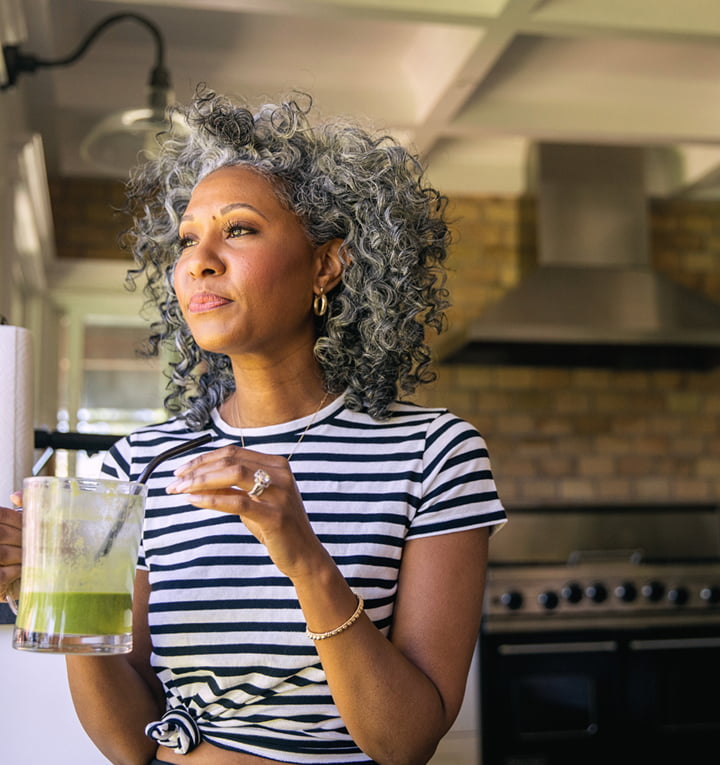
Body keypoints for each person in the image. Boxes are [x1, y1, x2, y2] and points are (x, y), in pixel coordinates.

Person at [0, 87, 506, 765]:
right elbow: (127, 742)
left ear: (325, 264)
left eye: (238, 228)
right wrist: (51, 597)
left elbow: (404, 741)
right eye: (187, 239)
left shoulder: (434, 455)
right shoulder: (134, 466)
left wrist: (301, 552)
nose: (199, 260)